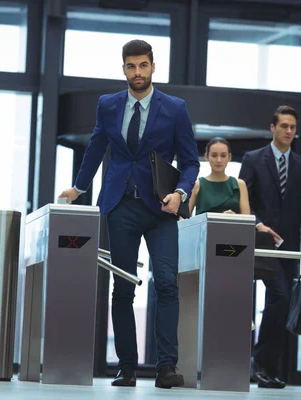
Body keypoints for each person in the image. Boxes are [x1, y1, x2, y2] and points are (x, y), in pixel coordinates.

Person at [59, 39, 200, 389]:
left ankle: (167, 367)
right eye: (131, 66)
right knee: (122, 289)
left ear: (153, 67)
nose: (137, 72)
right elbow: (96, 147)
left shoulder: (175, 107)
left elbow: (190, 161)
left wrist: (180, 193)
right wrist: (79, 187)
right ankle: (126, 367)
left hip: (161, 209)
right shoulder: (108, 105)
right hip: (120, 206)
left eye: (143, 66)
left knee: (167, 284)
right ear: (123, 68)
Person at [238, 105, 301, 389]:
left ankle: (263, 367)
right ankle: (259, 364)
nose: (288, 131)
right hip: (261, 243)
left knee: (281, 304)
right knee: (280, 297)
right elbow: (242, 200)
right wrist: (257, 224)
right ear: (272, 128)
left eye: (292, 127)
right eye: (283, 126)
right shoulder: (253, 159)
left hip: (291, 248)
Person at [188, 137, 250, 216]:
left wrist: (235, 217)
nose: (219, 160)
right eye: (214, 156)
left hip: (232, 228)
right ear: (207, 156)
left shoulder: (240, 185)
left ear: (229, 157)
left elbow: (247, 220)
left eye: (223, 156)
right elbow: (183, 219)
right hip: (204, 228)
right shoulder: (197, 185)